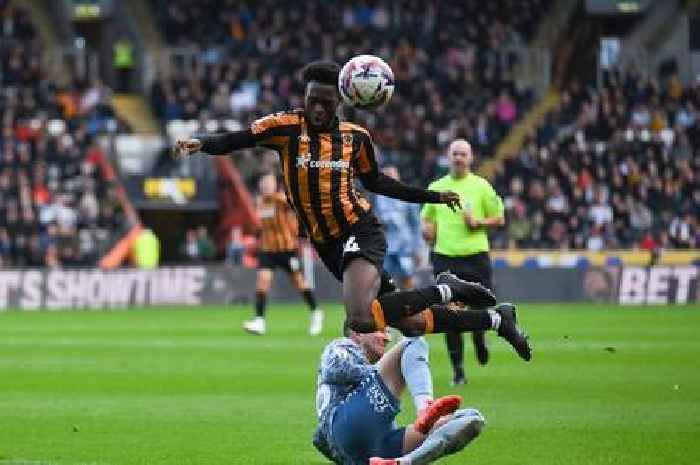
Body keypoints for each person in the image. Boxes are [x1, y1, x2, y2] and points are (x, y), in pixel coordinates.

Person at [173, 60, 529, 354]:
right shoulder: (285, 128)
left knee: (360, 318)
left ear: (340, 102)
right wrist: (201, 143)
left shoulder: (355, 138)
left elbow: (378, 183)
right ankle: (497, 319)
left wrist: (433, 197)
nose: (317, 107)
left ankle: (452, 289)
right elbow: (238, 139)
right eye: (312, 99)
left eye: (325, 102)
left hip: (360, 230)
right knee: (411, 322)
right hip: (325, 243)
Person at [313, 322, 489, 465]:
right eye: (380, 330)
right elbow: (337, 368)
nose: (387, 337)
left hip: (373, 447)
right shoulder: (342, 345)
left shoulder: (364, 394)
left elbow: (319, 440)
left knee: (472, 420)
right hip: (348, 423)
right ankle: (424, 408)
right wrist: (384, 372)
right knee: (413, 340)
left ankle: (403, 462)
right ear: (357, 332)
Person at [421, 139, 506, 385]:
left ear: (471, 158)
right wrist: (427, 231)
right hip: (445, 258)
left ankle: (479, 336)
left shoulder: (481, 186)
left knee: (480, 306)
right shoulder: (437, 187)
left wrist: (478, 223)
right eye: (455, 154)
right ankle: (458, 371)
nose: (459, 158)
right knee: (450, 315)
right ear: (449, 157)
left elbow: (499, 218)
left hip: (475, 257)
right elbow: (427, 218)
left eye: (463, 154)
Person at [242, 172, 324, 336]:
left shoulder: (280, 199)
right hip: (267, 250)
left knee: (299, 283)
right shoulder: (259, 202)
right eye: (263, 182)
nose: (265, 186)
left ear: (274, 185)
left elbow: (296, 204)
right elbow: (258, 226)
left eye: (268, 182)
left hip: (287, 249)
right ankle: (259, 321)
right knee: (262, 282)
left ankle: (316, 312)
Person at [373, 166, 423, 289]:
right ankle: (391, 305)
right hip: (385, 247)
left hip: (405, 246)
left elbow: (416, 224)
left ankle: (412, 304)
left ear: (398, 177)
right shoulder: (377, 197)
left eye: (391, 176)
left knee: (407, 277)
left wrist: (418, 248)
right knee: (386, 279)